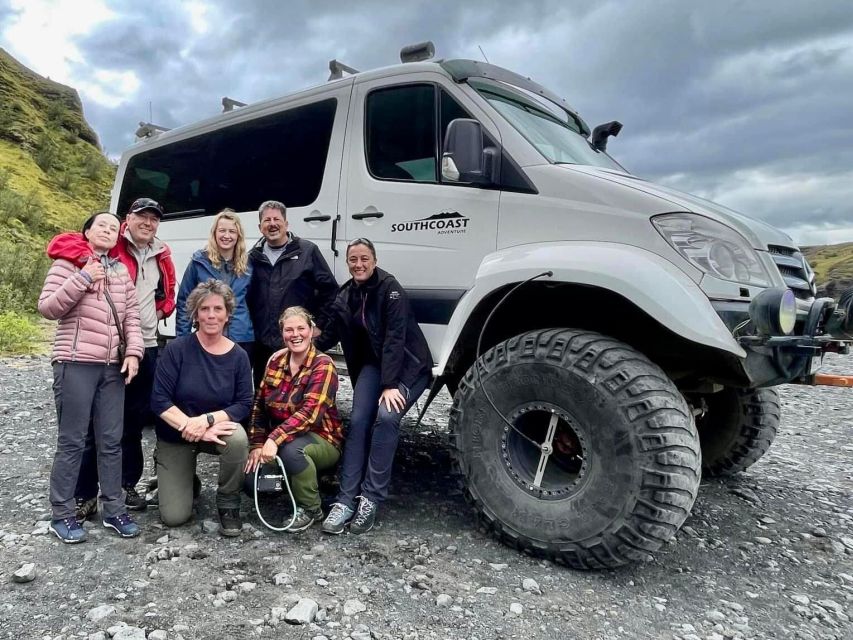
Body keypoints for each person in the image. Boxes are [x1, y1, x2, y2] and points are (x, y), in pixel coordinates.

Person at [49, 197, 177, 519]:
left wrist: (162, 311)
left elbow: (160, 295)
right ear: (127, 221)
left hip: (141, 347)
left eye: (154, 219)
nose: (148, 223)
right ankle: (82, 495)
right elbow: (64, 244)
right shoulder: (108, 248)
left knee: (130, 423)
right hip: (93, 353)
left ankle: (123, 487)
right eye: (141, 217)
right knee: (89, 431)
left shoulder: (161, 254)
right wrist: (84, 268)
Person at [38, 212, 145, 543]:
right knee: (72, 441)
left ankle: (114, 510)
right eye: (103, 225)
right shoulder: (66, 264)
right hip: (75, 363)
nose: (109, 231)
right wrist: (83, 277)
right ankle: (62, 514)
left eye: (114, 228)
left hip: (112, 368)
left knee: (111, 441)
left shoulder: (120, 271)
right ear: (87, 231)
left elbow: (131, 317)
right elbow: (48, 308)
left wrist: (133, 353)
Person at [317, 238, 432, 535]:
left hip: (408, 366)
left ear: (375, 260)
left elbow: (395, 339)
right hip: (373, 365)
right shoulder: (346, 295)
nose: (359, 264)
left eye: (364, 258)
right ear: (347, 263)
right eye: (353, 259)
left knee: (387, 417)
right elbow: (329, 333)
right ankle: (345, 501)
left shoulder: (391, 290)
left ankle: (370, 497)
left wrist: (390, 384)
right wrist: (300, 345)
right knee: (357, 421)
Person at [150, 280, 253, 535]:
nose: (211, 315)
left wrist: (206, 421)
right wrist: (189, 426)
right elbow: (159, 400)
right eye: (204, 309)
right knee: (175, 517)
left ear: (228, 314)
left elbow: (244, 403)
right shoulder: (177, 350)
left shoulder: (239, 355)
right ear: (195, 314)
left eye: (218, 309)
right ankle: (186, 481)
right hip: (176, 434)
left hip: (213, 429)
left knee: (238, 440)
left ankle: (228, 502)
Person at [246, 307, 343, 532]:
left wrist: (274, 439)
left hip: (322, 439)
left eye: (301, 328)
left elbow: (310, 413)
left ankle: (311, 508)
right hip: (279, 440)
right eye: (289, 330)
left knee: (293, 452)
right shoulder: (275, 360)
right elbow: (259, 406)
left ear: (312, 331)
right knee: (252, 483)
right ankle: (302, 480)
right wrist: (257, 444)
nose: (295, 334)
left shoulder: (324, 364)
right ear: (283, 334)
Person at [247, 200, 338, 387]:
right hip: (263, 344)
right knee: (264, 398)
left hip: (297, 342)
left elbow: (330, 291)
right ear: (260, 227)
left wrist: (319, 324)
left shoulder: (307, 251)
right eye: (267, 220)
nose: (272, 224)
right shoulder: (252, 257)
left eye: (277, 219)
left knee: (298, 396)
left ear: (286, 224)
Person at [175, 209, 253, 357]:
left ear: (238, 236)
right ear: (214, 233)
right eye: (222, 230)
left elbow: (255, 302)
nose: (227, 236)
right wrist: (182, 339)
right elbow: (184, 302)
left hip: (242, 338)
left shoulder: (248, 265)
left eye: (232, 231)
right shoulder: (198, 263)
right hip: (207, 336)